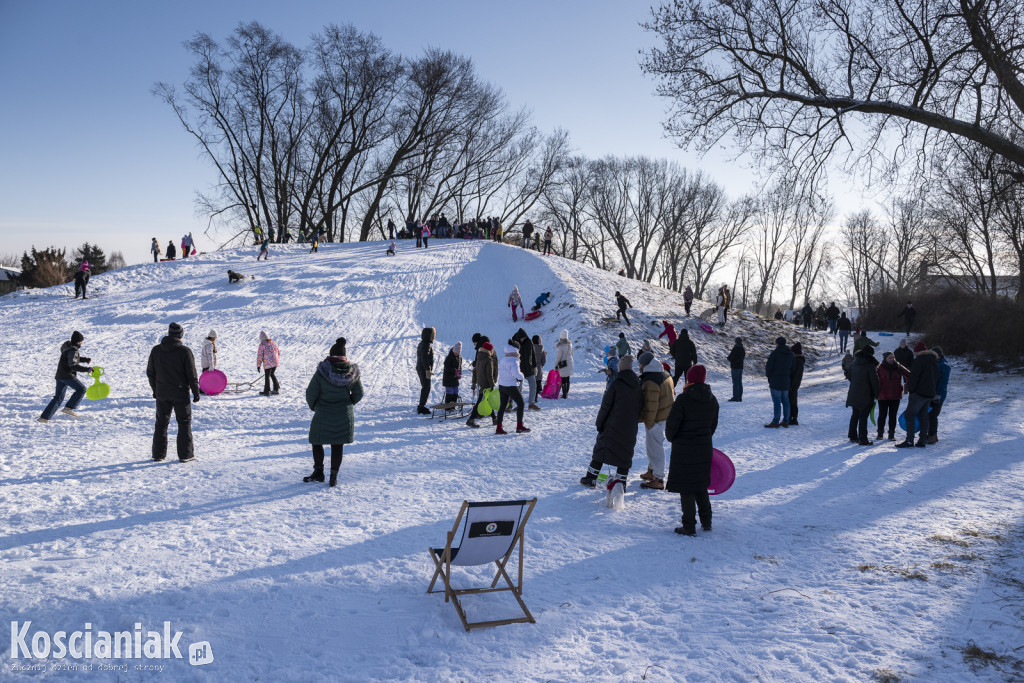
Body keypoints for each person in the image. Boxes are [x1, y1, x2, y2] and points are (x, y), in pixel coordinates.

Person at [665, 364, 719, 535]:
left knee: (686, 487)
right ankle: (707, 521)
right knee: (700, 485)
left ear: (689, 379)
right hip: (703, 448)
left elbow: (672, 427)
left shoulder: (683, 399)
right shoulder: (712, 399)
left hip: (684, 449)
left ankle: (688, 525)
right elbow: (712, 426)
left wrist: (673, 438)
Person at [304, 337, 364, 487]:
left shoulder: (322, 371)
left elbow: (311, 393)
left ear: (330, 355)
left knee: (316, 441)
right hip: (344, 414)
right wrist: (349, 404)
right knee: (337, 445)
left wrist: (315, 406)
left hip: (323, 412)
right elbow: (359, 393)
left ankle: (318, 472)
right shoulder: (352, 372)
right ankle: (333, 477)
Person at [580, 355, 642, 494]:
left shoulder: (616, 384)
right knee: (625, 453)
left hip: (612, 424)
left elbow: (605, 406)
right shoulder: (638, 384)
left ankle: (591, 478)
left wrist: (599, 423)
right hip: (630, 426)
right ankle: (621, 481)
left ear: (620, 368)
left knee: (601, 449)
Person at [147, 322, 200, 462]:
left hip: (162, 393)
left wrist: (156, 390)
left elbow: (150, 373)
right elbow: (191, 374)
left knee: (161, 424)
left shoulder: (156, 350)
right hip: (180, 393)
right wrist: (195, 392)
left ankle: (158, 455)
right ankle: (186, 455)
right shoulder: (184, 351)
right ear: (181, 335)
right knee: (184, 423)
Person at [637, 351, 675, 490]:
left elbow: (651, 405)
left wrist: (649, 422)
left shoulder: (651, 380)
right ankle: (652, 471)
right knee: (651, 446)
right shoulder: (663, 373)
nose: (639, 366)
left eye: (640, 363)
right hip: (665, 415)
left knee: (655, 448)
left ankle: (659, 479)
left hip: (657, 419)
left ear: (645, 364)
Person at [38, 330, 93, 423]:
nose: (82, 343)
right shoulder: (74, 350)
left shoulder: (67, 348)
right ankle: (69, 408)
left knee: (58, 398)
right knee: (81, 389)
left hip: (60, 375)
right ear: (79, 341)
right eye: (82, 341)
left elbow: (71, 359)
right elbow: (72, 365)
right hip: (67, 376)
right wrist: (86, 369)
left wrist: (85, 359)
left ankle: (44, 418)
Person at [897, 341, 939, 448]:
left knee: (909, 415)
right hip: (929, 393)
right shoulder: (934, 360)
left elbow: (914, 377)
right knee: (923, 416)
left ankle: (909, 441)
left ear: (918, 352)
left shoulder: (919, 361)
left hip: (918, 394)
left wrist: (910, 388)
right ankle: (922, 440)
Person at [846, 345, 880, 445]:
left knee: (855, 415)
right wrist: (877, 394)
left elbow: (849, 376)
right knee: (863, 416)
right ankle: (863, 439)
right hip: (866, 395)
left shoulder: (854, 362)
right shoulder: (870, 365)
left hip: (854, 393)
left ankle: (852, 436)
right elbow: (874, 381)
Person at [495, 341, 529, 434]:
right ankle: (519, 426)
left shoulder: (504, 358)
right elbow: (516, 374)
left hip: (502, 385)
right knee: (521, 404)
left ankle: (499, 428)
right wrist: (522, 376)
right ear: (517, 350)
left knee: (502, 406)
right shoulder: (514, 360)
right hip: (510, 386)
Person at [876, 351, 909, 441]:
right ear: (885, 358)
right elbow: (874, 380)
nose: (892, 359)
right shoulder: (880, 367)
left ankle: (891, 434)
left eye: (893, 357)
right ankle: (880, 433)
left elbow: (910, 375)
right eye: (889, 358)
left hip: (895, 395)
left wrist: (908, 385)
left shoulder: (898, 366)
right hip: (883, 395)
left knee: (893, 415)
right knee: (882, 415)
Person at [466, 337, 497, 428]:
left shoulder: (479, 357)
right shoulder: (488, 359)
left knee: (487, 400)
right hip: (486, 384)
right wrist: (492, 384)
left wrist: (474, 382)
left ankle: (494, 418)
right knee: (481, 401)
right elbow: (489, 375)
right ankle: (471, 419)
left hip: (480, 382)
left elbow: (475, 371)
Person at [764, 336, 794, 428]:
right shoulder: (790, 354)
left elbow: (769, 366)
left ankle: (776, 421)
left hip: (775, 380)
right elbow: (793, 368)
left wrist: (769, 376)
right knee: (786, 401)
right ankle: (786, 421)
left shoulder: (775, 353)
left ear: (777, 343)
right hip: (786, 380)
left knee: (776, 402)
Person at [928, 346, 950, 444]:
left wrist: (937, 395)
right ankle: (932, 435)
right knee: (930, 415)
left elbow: (942, 383)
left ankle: (932, 436)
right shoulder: (935, 363)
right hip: (932, 393)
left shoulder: (943, 366)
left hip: (938, 395)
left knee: (933, 415)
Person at [512, 329, 538, 410]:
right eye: (521, 338)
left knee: (533, 385)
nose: (522, 339)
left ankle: (531, 404)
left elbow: (533, 355)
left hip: (528, 368)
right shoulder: (514, 343)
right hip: (519, 369)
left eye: (523, 338)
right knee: (519, 388)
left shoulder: (529, 342)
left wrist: (535, 366)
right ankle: (518, 405)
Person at [415, 327, 435, 415]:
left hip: (421, 368)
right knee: (426, 387)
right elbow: (424, 358)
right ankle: (421, 407)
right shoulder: (426, 344)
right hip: (423, 369)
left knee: (425, 387)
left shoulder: (422, 343)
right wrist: (428, 369)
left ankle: (421, 405)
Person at [256, 331, 281, 396]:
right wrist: (276, 359)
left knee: (267, 376)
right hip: (275, 362)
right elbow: (278, 352)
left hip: (268, 363)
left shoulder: (262, 345)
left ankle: (266, 391)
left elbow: (260, 356)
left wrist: (258, 365)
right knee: (272, 374)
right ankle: (276, 388)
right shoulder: (274, 343)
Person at [788, 342, 805, 425]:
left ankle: (793, 418)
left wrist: (791, 386)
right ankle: (792, 418)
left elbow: (795, 375)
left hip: (793, 385)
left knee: (792, 401)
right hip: (795, 384)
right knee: (793, 401)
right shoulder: (799, 361)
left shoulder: (797, 361)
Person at [555, 329, 573, 398]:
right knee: (568, 378)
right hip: (570, 362)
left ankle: (564, 394)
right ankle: (566, 393)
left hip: (563, 364)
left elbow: (558, 357)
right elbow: (572, 354)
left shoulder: (561, 345)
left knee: (563, 379)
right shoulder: (570, 344)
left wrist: (555, 365)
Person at [727, 336, 745, 402]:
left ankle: (735, 397)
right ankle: (740, 397)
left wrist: (731, 360)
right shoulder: (742, 348)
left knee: (735, 383)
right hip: (740, 367)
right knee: (739, 382)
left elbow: (730, 357)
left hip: (735, 367)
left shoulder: (735, 348)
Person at [532, 334, 546, 409]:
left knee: (532, 383)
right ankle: (535, 397)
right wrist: (541, 365)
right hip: (539, 366)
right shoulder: (541, 348)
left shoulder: (530, 348)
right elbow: (544, 360)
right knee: (538, 382)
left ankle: (532, 397)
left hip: (532, 367)